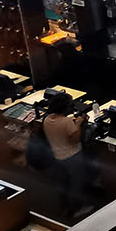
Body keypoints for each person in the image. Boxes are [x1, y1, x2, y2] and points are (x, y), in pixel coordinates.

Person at [42, 90, 90, 219]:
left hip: (57, 157)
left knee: (64, 184)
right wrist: (79, 124)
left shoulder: (47, 119)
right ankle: (77, 209)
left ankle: (64, 208)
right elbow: (75, 139)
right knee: (77, 183)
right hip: (72, 156)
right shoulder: (66, 122)